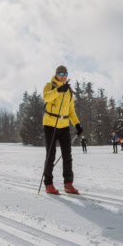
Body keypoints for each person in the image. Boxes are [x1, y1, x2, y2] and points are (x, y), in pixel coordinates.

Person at [42, 65, 83, 195]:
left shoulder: (69, 91)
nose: (63, 76)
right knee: (51, 155)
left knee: (67, 155)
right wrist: (59, 90)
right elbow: (46, 97)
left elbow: (71, 110)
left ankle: (68, 184)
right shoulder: (50, 85)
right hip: (50, 124)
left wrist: (77, 124)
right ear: (56, 75)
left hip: (64, 125)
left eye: (66, 74)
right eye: (61, 74)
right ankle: (48, 184)